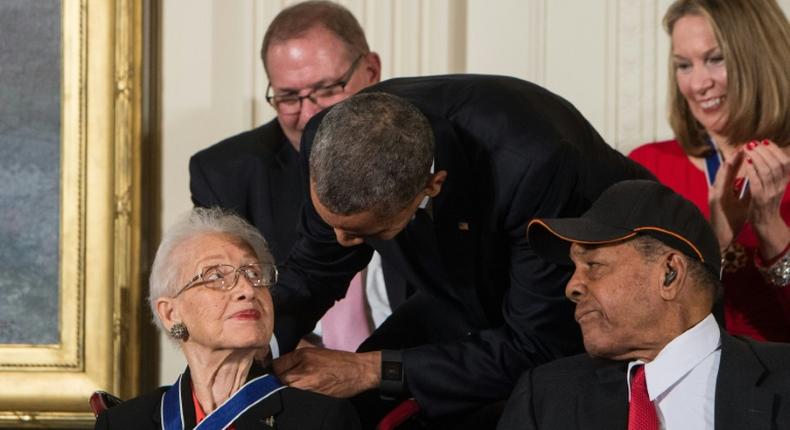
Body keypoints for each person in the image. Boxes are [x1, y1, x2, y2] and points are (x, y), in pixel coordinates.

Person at [269, 75, 654, 426]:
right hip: (458, 290)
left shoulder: (533, 162)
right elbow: (313, 269)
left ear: (432, 186)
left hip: (587, 305)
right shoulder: (328, 138)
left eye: (368, 233)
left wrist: (370, 369)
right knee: (339, 409)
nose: (339, 241)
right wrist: (251, 347)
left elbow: (534, 343)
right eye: (330, 222)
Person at [188, 1, 401, 350]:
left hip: (416, 375)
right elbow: (222, 311)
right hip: (296, 377)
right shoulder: (226, 175)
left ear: (371, 71)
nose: (309, 116)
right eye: (289, 97)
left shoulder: (422, 145)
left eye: (328, 90)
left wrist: (372, 371)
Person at [497, 179, 790, 430]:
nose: (572, 287)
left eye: (594, 265)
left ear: (669, 274)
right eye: (573, 269)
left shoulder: (783, 378)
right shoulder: (544, 398)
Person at [94, 208, 361, 429]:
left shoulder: (321, 420)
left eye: (254, 274)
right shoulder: (121, 423)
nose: (247, 290)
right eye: (216, 276)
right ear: (170, 313)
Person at [628, 0, 790, 342]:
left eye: (715, 59)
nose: (699, 84)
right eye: (683, 65)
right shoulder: (650, 167)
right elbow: (632, 318)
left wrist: (769, 227)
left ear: (760, 58)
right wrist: (713, 241)